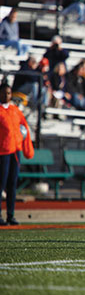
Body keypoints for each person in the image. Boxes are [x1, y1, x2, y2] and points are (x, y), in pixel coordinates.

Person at [0, 82, 34, 226]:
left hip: (15, 151)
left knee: (12, 184)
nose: (6, 96)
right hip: (2, 152)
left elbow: (24, 127)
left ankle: (11, 215)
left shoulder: (14, 110)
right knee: (0, 184)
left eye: (8, 93)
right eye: (3, 93)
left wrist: (27, 149)